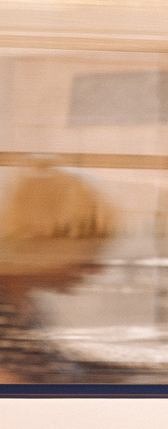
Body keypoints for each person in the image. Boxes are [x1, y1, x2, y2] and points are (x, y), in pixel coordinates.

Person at [0, 164, 113, 383]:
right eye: (89, 248)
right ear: (49, 244)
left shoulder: (25, 305)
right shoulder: (6, 310)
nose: (97, 267)